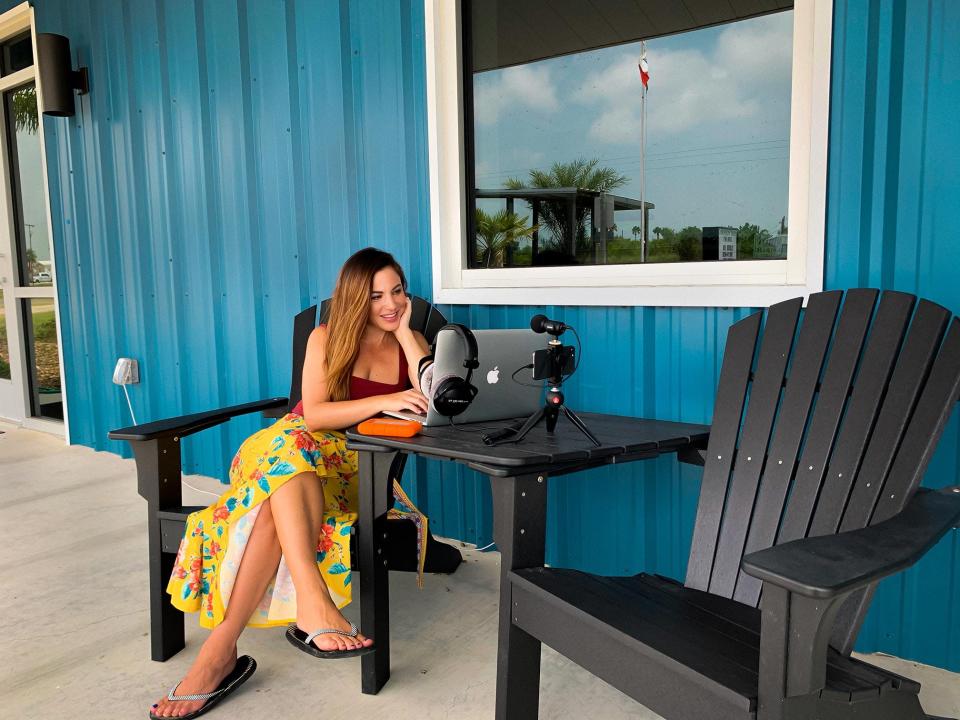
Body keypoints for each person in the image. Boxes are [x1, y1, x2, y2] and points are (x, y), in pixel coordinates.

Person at [150, 248, 431, 719]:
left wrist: (405, 333)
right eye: (375, 295)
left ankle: (217, 657)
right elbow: (316, 415)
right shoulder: (326, 337)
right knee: (289, 457)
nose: (390, 304)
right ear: (352, 299)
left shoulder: (411, 339)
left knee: (273, 511)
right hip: (290, 444)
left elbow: (431, 395)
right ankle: (313, 600)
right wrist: (385, 401)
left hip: (352, 468)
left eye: (397, 292)